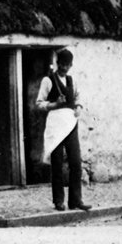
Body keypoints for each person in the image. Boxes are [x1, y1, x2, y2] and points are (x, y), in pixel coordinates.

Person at [36, 49, 90, 211]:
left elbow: (78, 98)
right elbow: (39, 103)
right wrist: (54, 104)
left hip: (71, 122)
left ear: (71, 65)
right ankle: (59, 200)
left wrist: (79, 107)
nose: (64, 68)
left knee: (75, 161)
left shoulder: (72, 80)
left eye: (67, 65)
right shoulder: (48, 80)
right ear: (57, 63)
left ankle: (76, 200)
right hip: (55, 123)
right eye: (62, 64)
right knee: (57, 162)